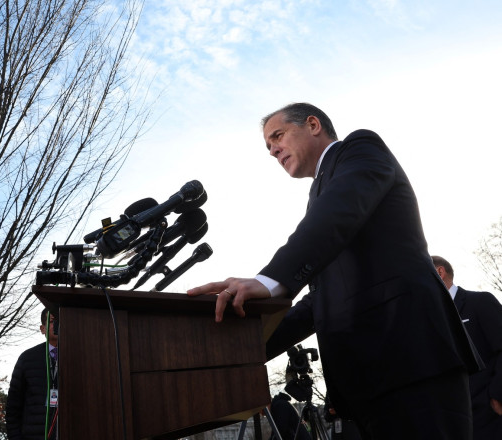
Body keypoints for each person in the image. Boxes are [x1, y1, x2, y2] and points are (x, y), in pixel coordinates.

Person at [188, 103, 480, 440]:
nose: (273, 151)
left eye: (277, 136)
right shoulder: (319, 196)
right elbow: (320, 301)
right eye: (268, 147)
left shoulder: (359, 149)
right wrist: (243, 345)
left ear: (312, 124)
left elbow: (336, 214)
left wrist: (269, 281)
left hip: (412, 359)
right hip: (369, 381)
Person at [432, 255, 502, 439]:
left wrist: (496, 396)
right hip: (451, 421)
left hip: (489, 416)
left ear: (440, 272)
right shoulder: (428, 319)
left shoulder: (481, 302)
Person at [5, 308, 58, 440]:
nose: (57, 325)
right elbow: (13, 407)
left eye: (60, 321)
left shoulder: (79, 357)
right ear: (42, 328)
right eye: (52, 321)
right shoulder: (27, 358)